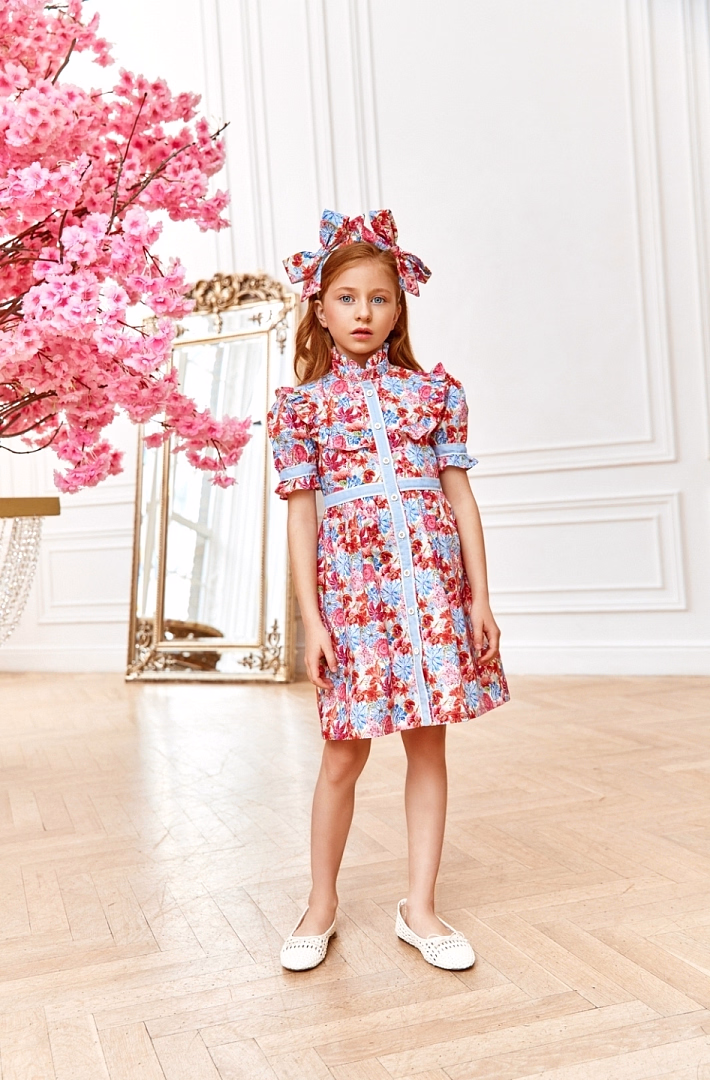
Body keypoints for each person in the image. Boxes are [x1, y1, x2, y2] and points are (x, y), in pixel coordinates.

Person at [267, 209, 510, 972]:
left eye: (378, 298)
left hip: (432, 594)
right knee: (343, 755)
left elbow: (460, 498)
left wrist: (479, 597)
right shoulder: (300, 408)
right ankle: (321, 904)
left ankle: (420, 907)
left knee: (428, 746)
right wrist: (313, 621)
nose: (363, 312)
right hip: (354, 602)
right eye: (346, 298)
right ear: (320, 308)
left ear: (398, 307)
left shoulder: (432, 394)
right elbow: (302, 518)